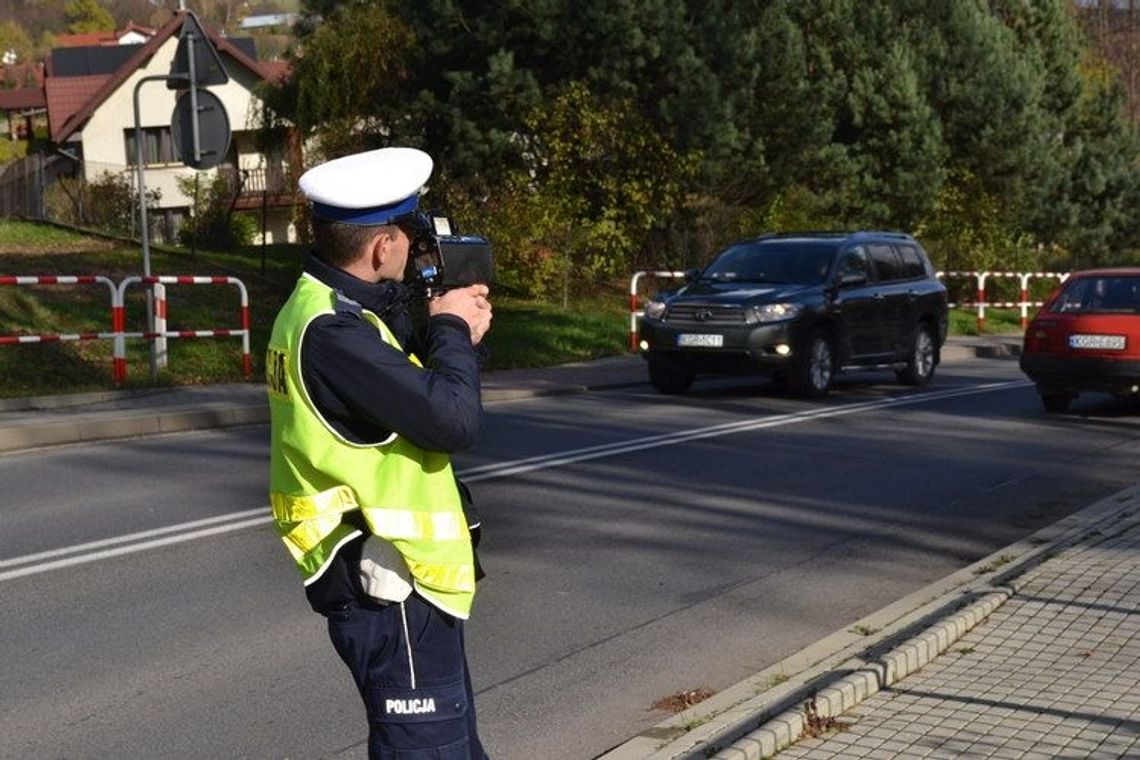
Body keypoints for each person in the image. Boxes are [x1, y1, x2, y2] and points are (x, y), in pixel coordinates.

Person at [265, 147, 493, 759]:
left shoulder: (327, 310)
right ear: (381, 247)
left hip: (399, 586)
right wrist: (449, 329)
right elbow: (451, 420)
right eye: (409, 235)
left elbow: (419, 397)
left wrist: (453, 331)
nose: (417, 248)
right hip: (391, 588)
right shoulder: (335, 334)